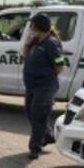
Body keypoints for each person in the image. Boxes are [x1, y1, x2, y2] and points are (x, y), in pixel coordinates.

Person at [22, 13, 65, 160]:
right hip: (32, 86)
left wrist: (46, 79)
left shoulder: (51, 44)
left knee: (38, 117)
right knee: (30, 113)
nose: (30, 27)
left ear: (38, 26)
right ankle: (47, 136)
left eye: (32, 24)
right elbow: (26, 56)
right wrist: (27, 44)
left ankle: (35, 148)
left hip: (45, 87)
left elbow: (60, 66)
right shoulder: (35, 41)